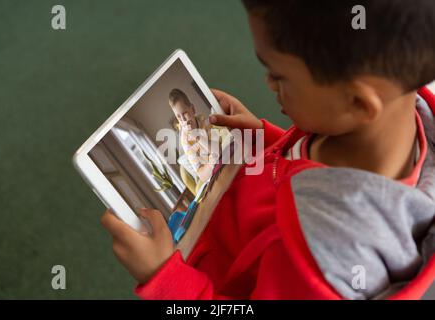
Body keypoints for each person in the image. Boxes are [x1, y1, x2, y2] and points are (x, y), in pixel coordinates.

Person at [100, 0, 435, 299]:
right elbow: (299, 163)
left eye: (278, 76)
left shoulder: (323, 259)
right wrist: (264, 139)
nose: (267, 84)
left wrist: (164, 279)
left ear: (358, 101)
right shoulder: (392, 118)